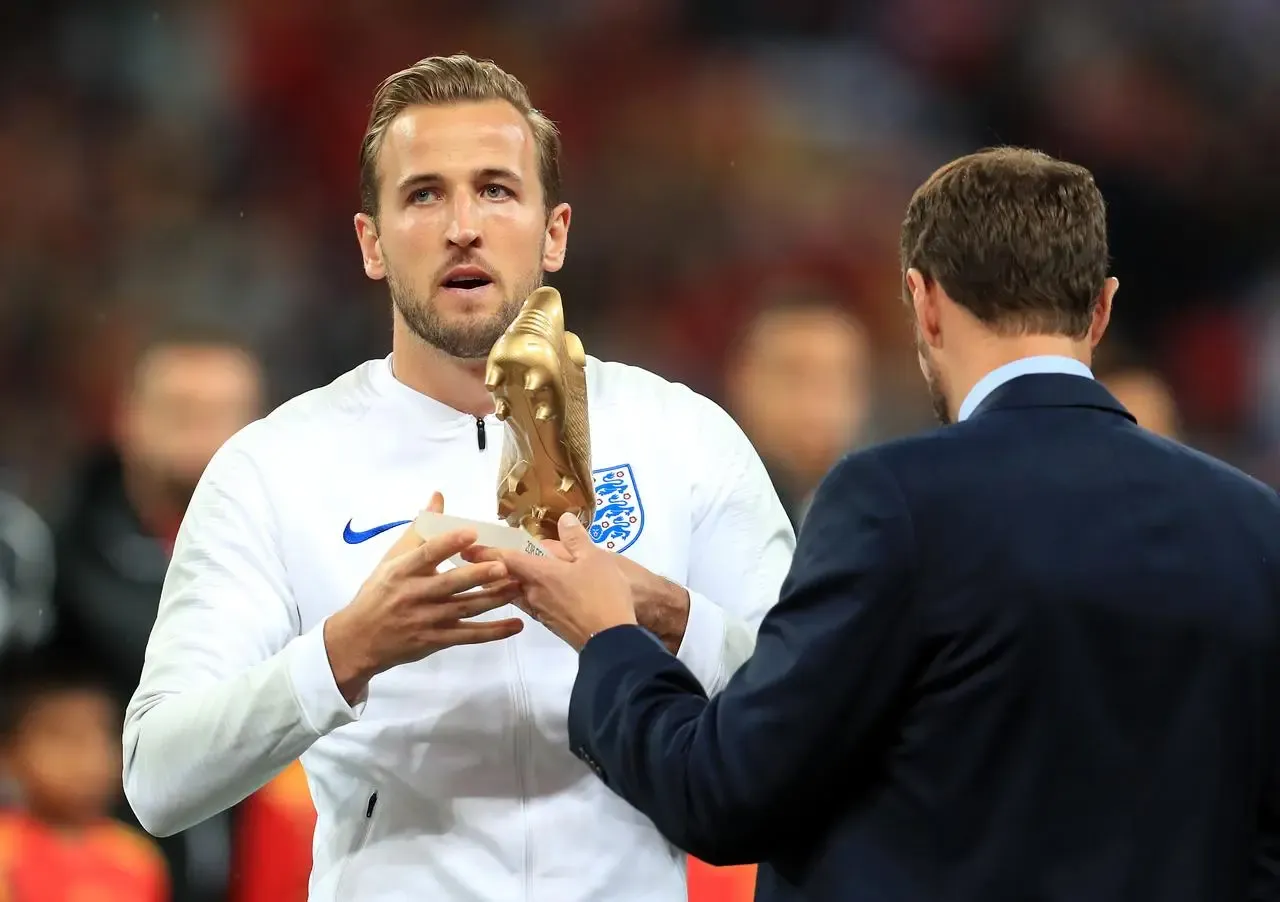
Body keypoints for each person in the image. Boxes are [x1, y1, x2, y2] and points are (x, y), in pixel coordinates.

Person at [485, 147, 1280, 902]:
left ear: (924, 302)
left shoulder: (897, 501)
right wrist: (677, 614)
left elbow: (724, 790)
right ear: (1101, 308)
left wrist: (610, 640)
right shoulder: (1255, 527)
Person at [122, 54, 794, 902]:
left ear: (555, 232)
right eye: (424, 195)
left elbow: (809, 713)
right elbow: (158, 776)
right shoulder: (275, 466)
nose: (463, 226)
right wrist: (347, 650)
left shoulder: (683, 436)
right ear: (371, 243)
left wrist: (665, 614)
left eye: (497, 190)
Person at [49, 319, 264, 902]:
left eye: (222, 414)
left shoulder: (297, 561)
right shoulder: (61, 566)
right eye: (179, 412)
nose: (201, 436)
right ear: (127, 418)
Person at [0, 654, 168, 901]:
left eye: (103, 736)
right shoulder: (6, 852)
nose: (89, 757)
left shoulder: (137, 858)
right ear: (10, 753)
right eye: (65, 737)